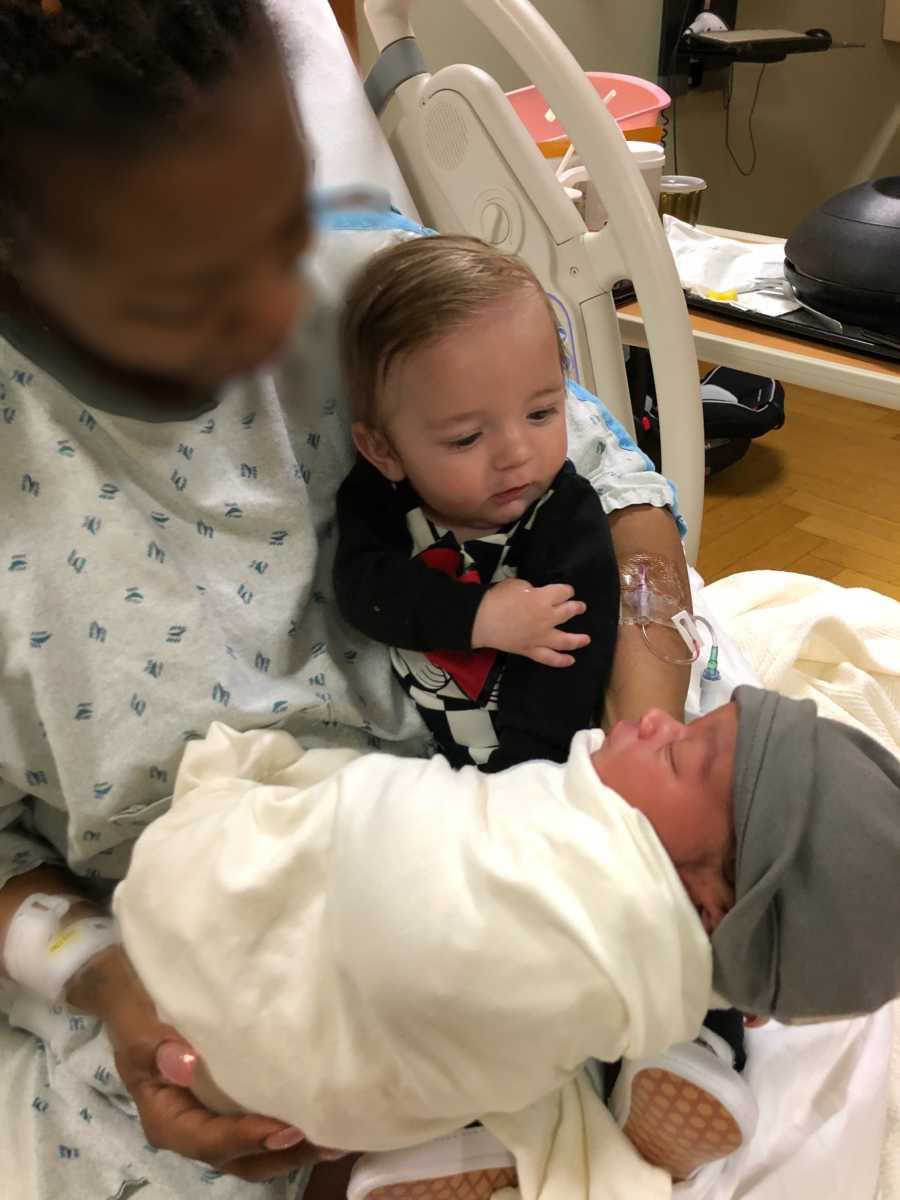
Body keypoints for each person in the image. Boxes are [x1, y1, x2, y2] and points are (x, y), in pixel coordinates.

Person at [0, 4, 694, 1198]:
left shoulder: (362, 293)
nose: (282, 319)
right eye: (192, 291)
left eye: (285, 226)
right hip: (214, 952)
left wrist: (646, 724)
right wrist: (110, 982)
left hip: (509, 811)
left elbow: (622, 500)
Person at [111, 686, 900, 1199]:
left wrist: (277, 789)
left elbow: (401, 834)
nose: (658, 717)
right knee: (559, 1022)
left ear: (710, 907)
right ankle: (661, 1064)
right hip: (312, 1098)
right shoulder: (661, 942)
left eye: (680, 751)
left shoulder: (577, 859)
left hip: (204, 971)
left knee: (484, 1003)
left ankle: (485, 1128)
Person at [334, 235, 620, 772]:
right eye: (467, 438)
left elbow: (570, 671)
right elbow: (363, 593)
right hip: (425, 765)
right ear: (384, 450)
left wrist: (520, 785)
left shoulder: (565, 517)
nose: (517, 455)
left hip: (534, 763)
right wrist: (479, 617)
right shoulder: (379, 496)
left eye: (541, 414)